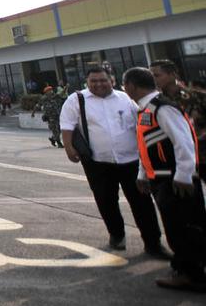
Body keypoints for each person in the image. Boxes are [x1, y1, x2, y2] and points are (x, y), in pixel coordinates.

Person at [59, 65, 169, 257]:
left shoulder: (126, 98)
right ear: (87, 82)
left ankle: (153, 243)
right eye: (93, 81)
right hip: (97, 162)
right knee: (106, 201)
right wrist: (69, 148)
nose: (99, 84)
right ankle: (117, 235)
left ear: (113, 81)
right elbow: (67, 125)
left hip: (132, 161)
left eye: (103, 80)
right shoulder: (76, 100)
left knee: (142, 203)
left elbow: (141, 122)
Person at [122, 67, 206, 291]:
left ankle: (193, 274)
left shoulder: (162, 108)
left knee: (185, 229)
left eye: (124, 85)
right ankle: (185, 268)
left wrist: (184, 175)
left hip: (176, 181)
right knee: (176, 228)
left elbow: (184, 142)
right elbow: (146, 146)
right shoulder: (146, 110)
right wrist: (143, 173)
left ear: (130, 86)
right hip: (161, 179)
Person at [152, 60, 206, 170]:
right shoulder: (155, 103)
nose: (153, 79)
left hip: (203, 154)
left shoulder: (198, 97)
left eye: (156, 75)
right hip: (176, 161)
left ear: (172, 75)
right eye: (151, 76)